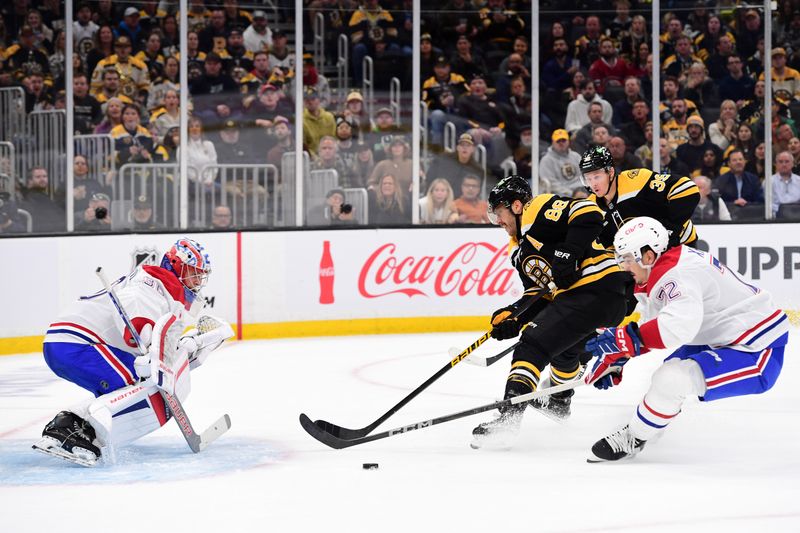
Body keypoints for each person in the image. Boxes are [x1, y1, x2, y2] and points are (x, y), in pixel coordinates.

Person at [584, 217, 789, 462]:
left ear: (648, 256)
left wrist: (626, 340)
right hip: (721, 334)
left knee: (671, 379)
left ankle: (636, 437)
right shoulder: (663, 269)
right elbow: (658, 323)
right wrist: (621, 355)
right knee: (667, 374)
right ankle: (649, 429)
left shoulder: (676, 274)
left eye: (627, 258)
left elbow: (677, 327)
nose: (624, 266)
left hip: (756, 347)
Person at [33, 239, 233, 467]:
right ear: (176, 266)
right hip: (75, 343)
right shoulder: (152, 284)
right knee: (137, 382)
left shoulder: (166, 291)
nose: (197, 281)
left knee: (132, 383)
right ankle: (69, 430)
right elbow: (135, 309)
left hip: (71, 343)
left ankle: (71, 426)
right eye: (193, 273)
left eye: (201, 275)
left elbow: (160, 345)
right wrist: (143, 334)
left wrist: (188, 347)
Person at [471, 175, 629, 449]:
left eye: (500, 212)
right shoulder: (519, 250)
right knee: (564, 352)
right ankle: (559, 401)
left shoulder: (537, 210)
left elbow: (589, 212)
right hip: (602, 301)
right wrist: (514, 316)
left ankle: (508, 421)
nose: (498, 221)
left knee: (531, 347)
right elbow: (539, 294)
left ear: (517, 205)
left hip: (594, 287)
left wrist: (568, 253)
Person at [580, 145, 700, 249]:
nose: (592, 184)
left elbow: (687, 188)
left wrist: (667, 231)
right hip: (641, 260)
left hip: (681, 245)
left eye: (596, 177)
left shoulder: (637, 181)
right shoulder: (590, 207)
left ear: (610, 172)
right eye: (588, 179)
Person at [539, 129, 582, 196]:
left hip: (580, 191)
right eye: (558, 141)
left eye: (563, 140)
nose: (561, 143)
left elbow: (583, 175)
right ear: (552, 142)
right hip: (559, 195)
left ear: (569, 142)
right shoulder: (546, 160)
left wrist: (582, 191)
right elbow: (552, 184)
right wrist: (572, 193)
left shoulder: (576, 156)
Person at [771, 151, 800, 216]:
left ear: (793, 163)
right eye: (780, 162)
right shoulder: (769, 182)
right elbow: (768, 204)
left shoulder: (799, 181)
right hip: (776, 219)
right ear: (776, 164)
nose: (784, 164)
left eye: (787, 161)